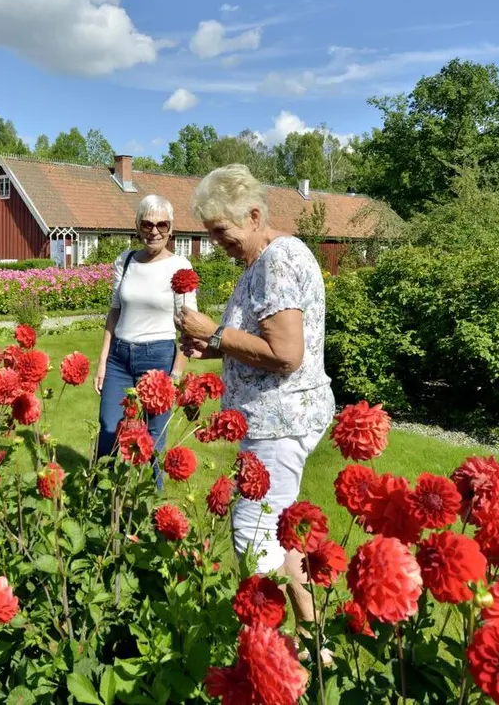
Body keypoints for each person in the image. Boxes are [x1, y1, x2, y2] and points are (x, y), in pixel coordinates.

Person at [175, 164, 334, 643]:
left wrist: (217, 332)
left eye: (221, 232)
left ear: (253, 214)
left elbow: (286, 354)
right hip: (272, 420)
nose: (218, 243)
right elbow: (257, 340)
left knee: (253, 536)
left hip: (279, 422)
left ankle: (266, 649)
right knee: (283, 531)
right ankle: (312, 643)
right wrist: (217, 345)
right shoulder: (259, 262)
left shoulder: (278, 261)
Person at [94, 195, 196, 490]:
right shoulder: (125, 261)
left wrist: (176, 374)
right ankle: (105, 499)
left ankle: (152, 506)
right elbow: (114, 312)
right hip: (119, 358)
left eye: (161, 224)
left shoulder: (180, 266)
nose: (154, 231)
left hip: (159, 357)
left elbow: (189, 325)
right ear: (138, 226)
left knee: (154, 438)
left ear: (171, 228)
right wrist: (102, 361)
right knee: (109, 428)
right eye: (147, 224)